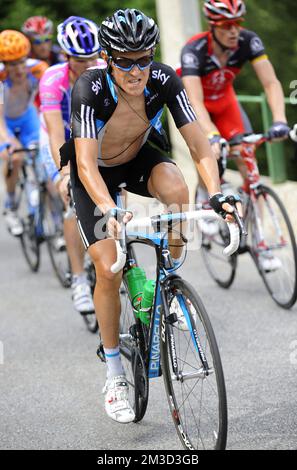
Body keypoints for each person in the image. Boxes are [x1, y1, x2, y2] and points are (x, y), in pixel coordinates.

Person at [60, 8, 240, 424]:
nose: (136, 69)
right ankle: (114, 373)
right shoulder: (89, 87)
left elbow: (198, 145)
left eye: (144, 58)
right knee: (107, 267)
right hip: (96, 175)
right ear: (108, 58)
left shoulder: (164, 79)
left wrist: (217, 195)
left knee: (178, 187)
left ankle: (170, 278)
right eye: (125, 60)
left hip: (139, 158)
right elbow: (85, 165)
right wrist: (110, 209)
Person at [179, 0, 289, 270]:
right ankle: (206, 196)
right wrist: (212, 136)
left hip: (226, 103)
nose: (234, 31)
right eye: (226, 26)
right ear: (212, 27)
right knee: (209, 151)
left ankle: (259, 243)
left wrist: (279, 120)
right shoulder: (194, 50)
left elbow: (271, 83)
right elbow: (194, 99)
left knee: (250, 168)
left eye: (237, 24)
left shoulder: (249, 42)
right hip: (199, 106)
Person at [39, 16, 106, 313]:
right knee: (73, 203)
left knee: (112, 190)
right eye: (80, 60)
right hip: (60, 138)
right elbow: (55, 132)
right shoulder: (53, 80)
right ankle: (79, 278)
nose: (88, 65)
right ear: (66, 57)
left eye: (93, 57)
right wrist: (65, 173)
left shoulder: (105, 70)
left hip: (91, 133)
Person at [0, 30, 48, 236]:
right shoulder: (1, 78)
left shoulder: (38, 69)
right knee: (16, 158)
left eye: (21, 61)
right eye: (12, 64)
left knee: (44, 163)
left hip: (28, 117)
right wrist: (8, 141)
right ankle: (10, 206)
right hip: (6, 121)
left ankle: (53, 223)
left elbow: (46, 103)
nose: (18, 68)